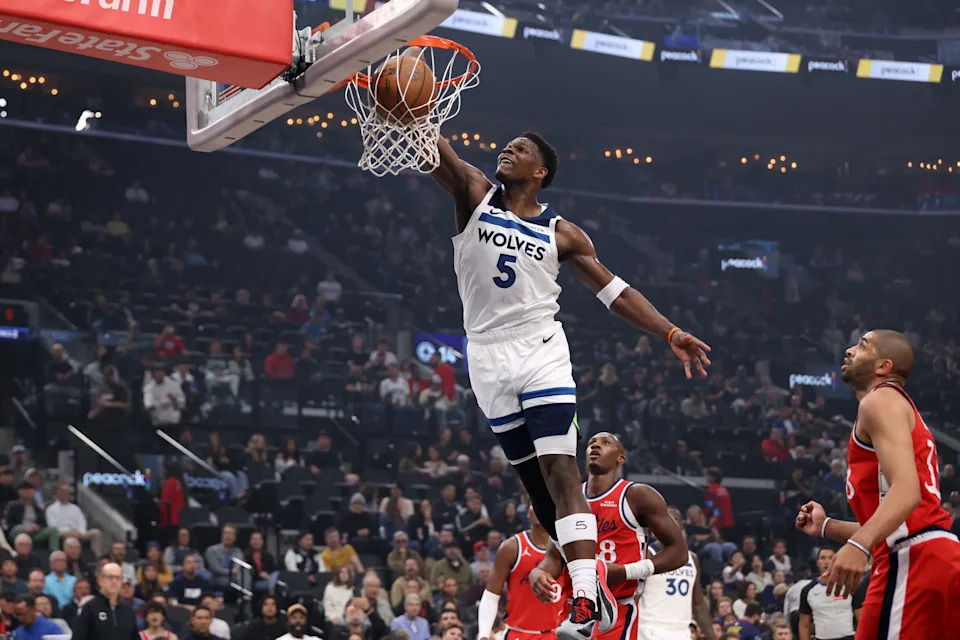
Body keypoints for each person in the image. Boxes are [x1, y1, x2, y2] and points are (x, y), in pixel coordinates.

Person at [428, 127, 711, 639]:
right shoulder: (475, 194)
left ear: (540, 172)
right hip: (486, 355)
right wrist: (409, 114)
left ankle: (583, 597)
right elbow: (433, 152)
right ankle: (593, 583)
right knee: (539, 492)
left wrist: (669, 331)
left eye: (521, 148)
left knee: (561, 471)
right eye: (507, 145)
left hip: (541, 349)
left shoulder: (563, 233)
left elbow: (616, 292)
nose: (507, 149)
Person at [795, 330, 960, 639]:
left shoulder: (880, 400)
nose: (849, 350)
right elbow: (897, 520)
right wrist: (828, 526)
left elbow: (907, 492)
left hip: (913, 557)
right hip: (932, 552)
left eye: (862, 345)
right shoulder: (894, 407)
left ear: (883, 366)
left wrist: (858, 545)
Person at [529, 432, 690, 640]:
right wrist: (540, 572)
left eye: (605, 443)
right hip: (573, 609)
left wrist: (625, 572)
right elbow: (554, 556)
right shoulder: (568, 500)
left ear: (620, 458)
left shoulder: (637, 496)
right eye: (591, 443)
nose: (596, 446)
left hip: (618, 610)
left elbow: (679, 552)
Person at [476, 505, 566, 640]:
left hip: (559, 633)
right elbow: (491, 595)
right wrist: (484, 634)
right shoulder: (511, 547)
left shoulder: (568, 547)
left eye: (545, 501)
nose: (540, 506)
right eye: (535, 502)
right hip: (519, 633)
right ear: (527, 512)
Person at [636, 507, 716, 640]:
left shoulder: (692, 558)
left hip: (681, 631)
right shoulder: (647, 554)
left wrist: (712, 637)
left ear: (682, 525)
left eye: (676, 519)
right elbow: (635, 596)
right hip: (649, 628)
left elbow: (698, 604)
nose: (671, 522)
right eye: (666, 518)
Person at [798, 548, 855, 640]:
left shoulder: (849, 585)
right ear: (817, 562)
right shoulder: (808, 590)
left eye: (830, 558)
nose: (827, 562)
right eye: (823, 558)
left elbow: (862, 618)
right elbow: (804, 625)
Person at [71, 562, 140, 639]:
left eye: (118, 578)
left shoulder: (128, 609)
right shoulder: (89, 608)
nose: (114, 581)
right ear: (100, 580)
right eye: (110, 577)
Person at [44, 482, 104, 556]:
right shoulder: (51, 509)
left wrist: (80, 532)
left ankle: (97, 557)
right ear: (57, 492)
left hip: (78, 532)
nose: (64, 493)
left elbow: (82, 522)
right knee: (68, 535)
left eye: (66, 491)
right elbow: (52, 526)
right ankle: (69, 557)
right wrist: (71, 532)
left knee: (96, 533)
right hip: (62, 533)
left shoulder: (75, 508)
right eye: (62, 491)